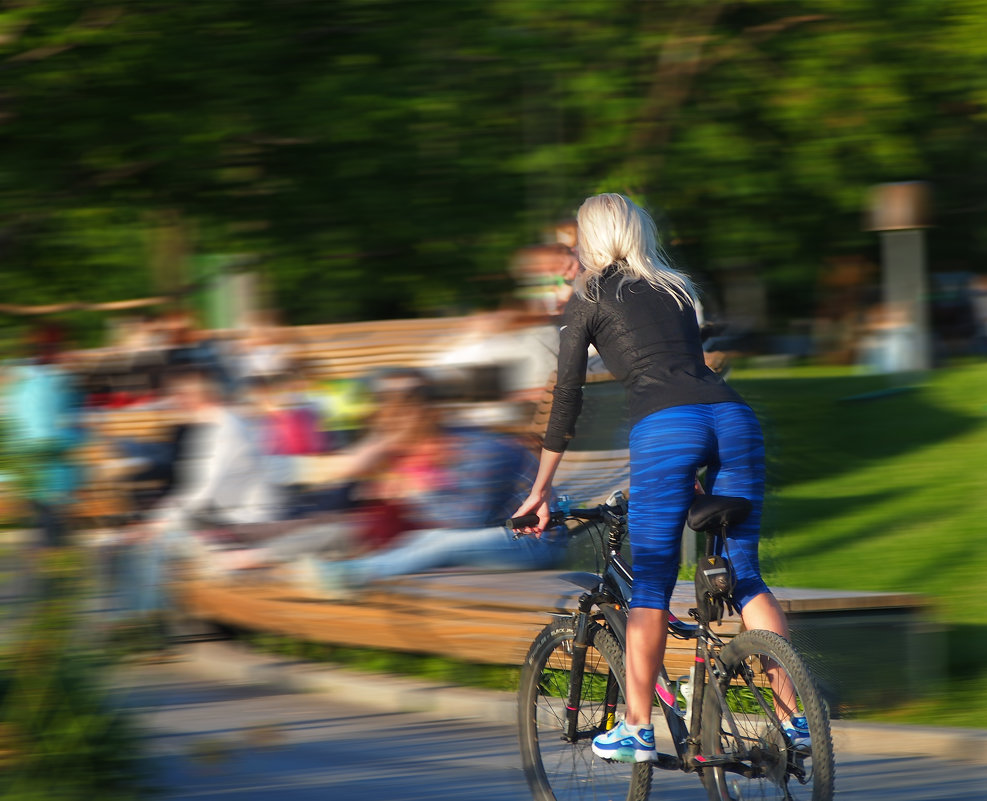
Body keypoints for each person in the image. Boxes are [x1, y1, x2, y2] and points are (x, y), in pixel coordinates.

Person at [511, 193, 806, 763]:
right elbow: (686, 368)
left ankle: (637, 728)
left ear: (590, 238)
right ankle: (795, 722)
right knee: (745, 573)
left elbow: (566, 397)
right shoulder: (676, 287)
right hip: (734, 418)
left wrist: (540, 488)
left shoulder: (590, 294)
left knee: (651, 582)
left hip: (667, 428)